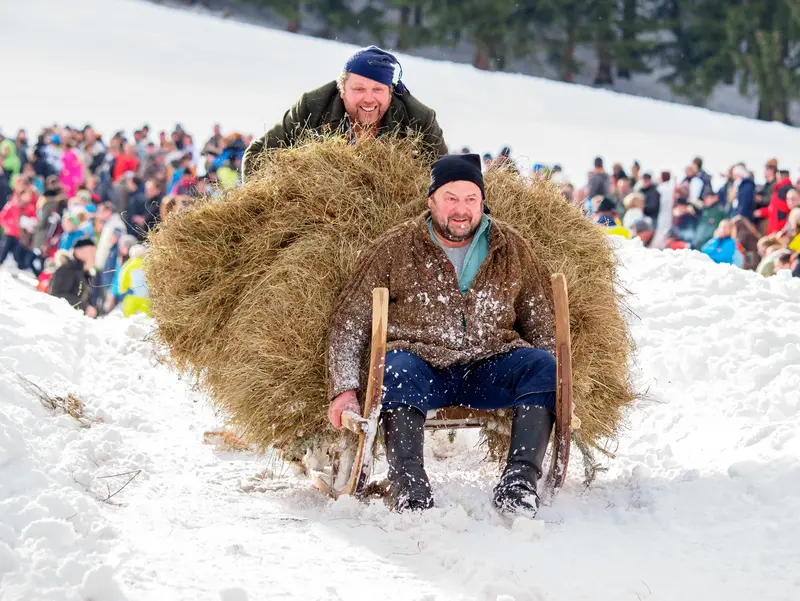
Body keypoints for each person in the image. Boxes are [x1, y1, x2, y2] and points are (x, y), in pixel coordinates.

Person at [326, 154, 557, 516]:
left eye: (470, 199)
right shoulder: (396, 247)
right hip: (422, 367)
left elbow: (542, 320)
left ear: (482, 201)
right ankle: (410, 487)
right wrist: (344, 389)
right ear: (431, 200)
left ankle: (519, 482)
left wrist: (557, 387)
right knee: (394, 367)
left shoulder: (510, 247)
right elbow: (350, 320)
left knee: (543, 366)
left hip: (489, 363)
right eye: (451, 198)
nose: (461, 209)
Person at [242, 46, 448, 180]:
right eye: (358, 89)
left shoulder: (419, 120)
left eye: (378, 90)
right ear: (342, 90)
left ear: (390, 93)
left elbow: (446, 177)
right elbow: (257, 154)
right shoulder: (312, 107)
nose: (369, 99)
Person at [48, 238, 98, 317]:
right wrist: (85, 307)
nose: (94, 256)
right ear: (78, 252)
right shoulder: (67, 270)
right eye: (91, 252)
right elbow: (57, 295)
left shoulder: (85, 273)